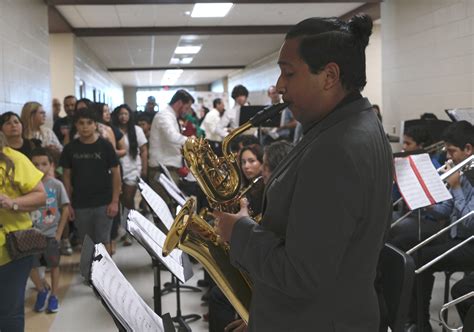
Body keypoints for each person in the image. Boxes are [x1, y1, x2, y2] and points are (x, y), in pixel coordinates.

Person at [214, 14, 393, 331]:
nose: (279, 86)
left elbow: (301, 275)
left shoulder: (336, 149)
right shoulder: (354, 124)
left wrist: (238, 230)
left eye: (288, 73)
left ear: (329, 76)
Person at [406, 121, 474, 331]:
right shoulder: (461, 170)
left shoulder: (468, 175)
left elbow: (470, 222)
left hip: (469, 243)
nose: (448, 157)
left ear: (468, 149)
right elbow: (447, 211)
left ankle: (421, 323)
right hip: (455, 237)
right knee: (413, 253)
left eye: (452, 151)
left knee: (420, 260)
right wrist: (426, 204)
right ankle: (418, 321)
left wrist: (455, 187)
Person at [0, 131, 46, 331]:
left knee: (9, 312)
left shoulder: (15, 159)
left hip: (11, 251)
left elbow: (41, 197)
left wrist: (12, 203)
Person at [59, 108, 121, 254]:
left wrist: (115, 201)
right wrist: (68, 204)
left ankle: (106, 275)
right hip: (80, 203)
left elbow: (116, 173)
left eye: (89, 123)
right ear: (76, 125)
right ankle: (89, 275)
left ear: (95, 125)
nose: (85, 126)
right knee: (86, 241)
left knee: (104, 240)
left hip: (104, 202)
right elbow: (66, 176)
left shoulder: (105, 146)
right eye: (81, 123)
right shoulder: (70, 148)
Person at [29, 148, 70, 314]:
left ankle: (54, 295)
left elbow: (65, 208)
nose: (40, 167)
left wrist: (59, 233)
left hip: (51, 234)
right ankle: (41, 290)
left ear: (51, 165)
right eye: (35, 164)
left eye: (44, 164)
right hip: (31, 235)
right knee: (30, 265)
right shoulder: (27, 185)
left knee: (53, 265)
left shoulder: (56, 185)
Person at [148, 89, 194, 212]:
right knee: (165, 211)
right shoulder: (164, 116)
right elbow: (172, 136)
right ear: (179, 103)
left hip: (169, 169)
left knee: (171, 209)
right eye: (187, 107)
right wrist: (192, 141)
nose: (187, 111)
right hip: (162, 170)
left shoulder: (171, 116)